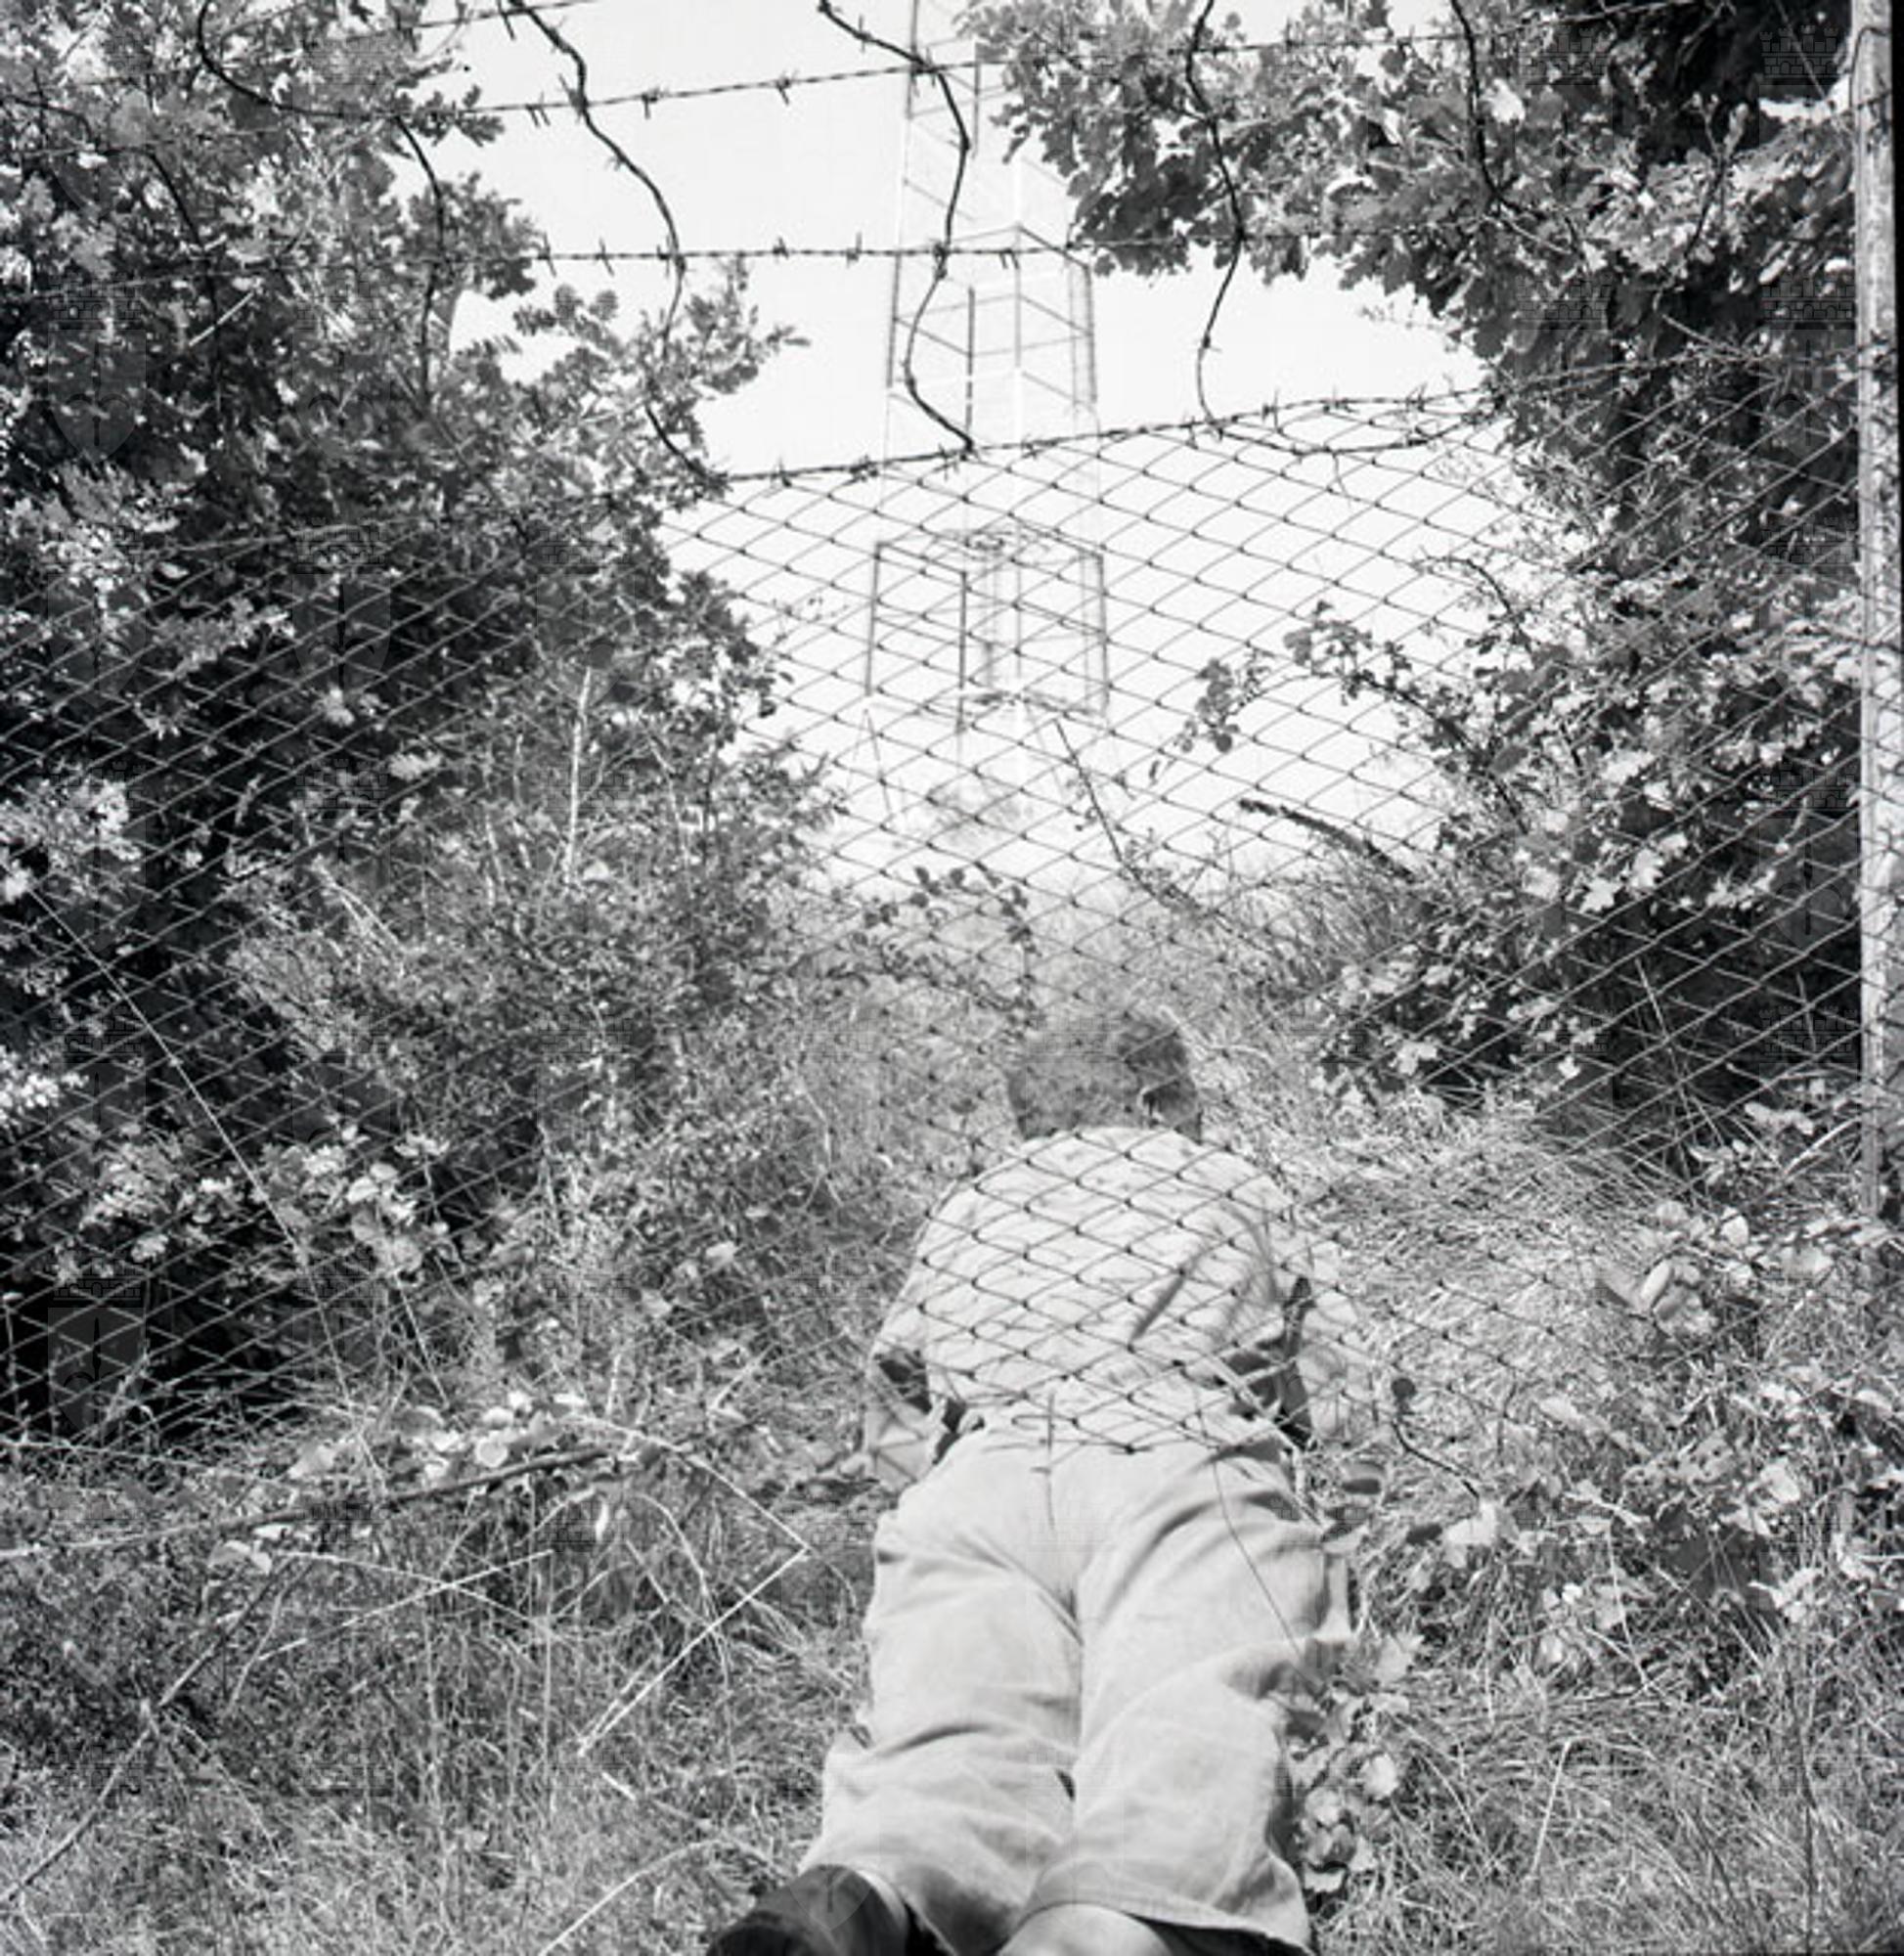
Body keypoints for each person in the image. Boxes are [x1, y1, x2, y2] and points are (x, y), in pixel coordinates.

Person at [708, 1009, 1366, 1956]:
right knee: (1187, 1707)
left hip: (981, 1480)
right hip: (1172, 1455)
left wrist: (928, 1486)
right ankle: (1107, 1924)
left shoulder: (971, 1206)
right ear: (1160, 1102)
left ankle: (863, 1893)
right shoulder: (1224, 1181)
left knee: (949, 1728)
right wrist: (1337, 1478)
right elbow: (1334, 1375)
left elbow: (896, 1401)